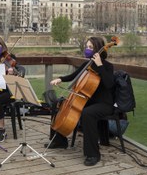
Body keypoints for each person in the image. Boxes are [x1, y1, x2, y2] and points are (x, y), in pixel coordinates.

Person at [47, 36, 115, 166]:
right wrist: (60, 79)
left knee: (87, 114)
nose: (87, 49)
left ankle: (93, 154)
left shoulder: (107, 66)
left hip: (104, 103)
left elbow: (109, 84)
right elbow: (74, 76)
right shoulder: (87, 64)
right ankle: (59, 140)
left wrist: (100, 66)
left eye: (91, 47)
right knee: (59, 102)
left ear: (98, 50)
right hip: (88, 100)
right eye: (87, 47)